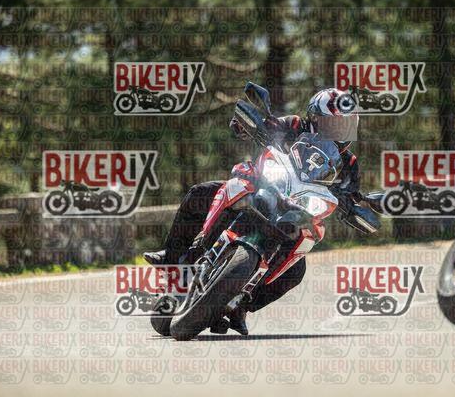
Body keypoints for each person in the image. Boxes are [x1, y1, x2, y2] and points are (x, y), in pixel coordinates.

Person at [144, 88, 381, 335]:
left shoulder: (349, 164)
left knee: (296, 271)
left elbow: (349, 193)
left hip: (298, 211)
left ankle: (240, 305)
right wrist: (246, 125)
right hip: (266, 183)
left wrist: (352, 206)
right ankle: (173, 258)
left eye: (344, 126)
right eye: (332, 124)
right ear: (314, 118)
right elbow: (267, 125)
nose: (338, 131)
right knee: (200, 193)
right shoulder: (294, 125)